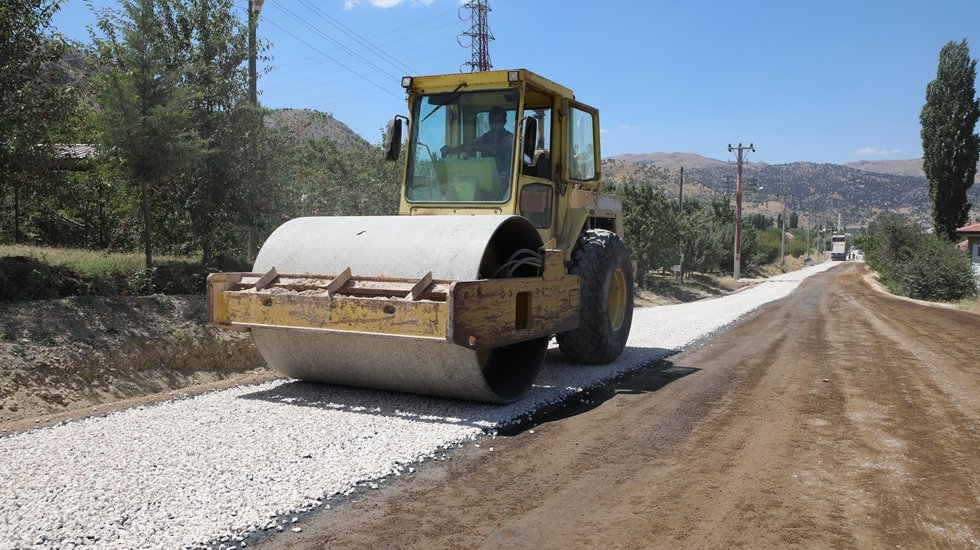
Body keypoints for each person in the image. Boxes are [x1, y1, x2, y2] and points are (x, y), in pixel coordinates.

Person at [440, 106, 514, 174]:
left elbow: (495, 149)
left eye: (498, 121)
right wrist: (451, 150)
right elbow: (469, 145)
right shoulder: (485, 138)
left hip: (508, 178)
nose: (495, 124)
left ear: (505, 122)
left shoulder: (509, 138)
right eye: (492, 121)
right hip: (488, 176)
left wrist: (476, 147)